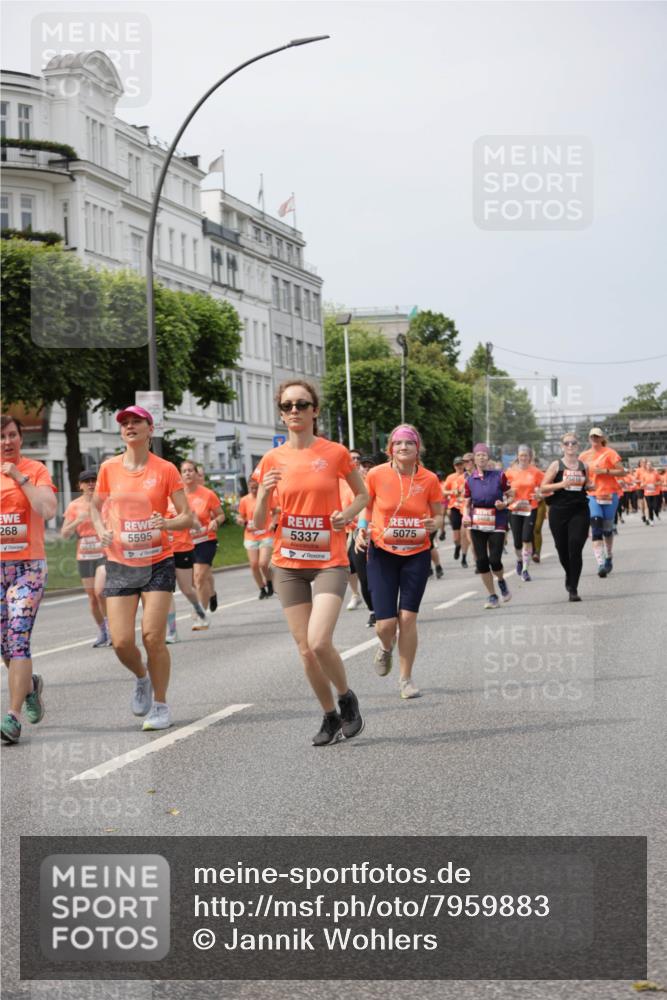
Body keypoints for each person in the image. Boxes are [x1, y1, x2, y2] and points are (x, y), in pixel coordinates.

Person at [253, 379, 368, 746]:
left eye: (302, 405)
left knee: (319, 642)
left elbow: (363, 494)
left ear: (315, 411)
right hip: (288, 563)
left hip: (328, 560)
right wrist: (265, 493)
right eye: (287, 406)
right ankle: (329, 716)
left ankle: (347, 698)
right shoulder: (272, 459)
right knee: (303, 649)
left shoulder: (334, 453)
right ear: (281, 414)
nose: (294, 412)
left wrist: (345, 514)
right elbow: (258, 522)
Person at [91, 406, 193, 731]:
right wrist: (101, 529)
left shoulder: (166, 470)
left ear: (150, 429)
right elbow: (94, 507)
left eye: (137, 422)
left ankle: (161, 705)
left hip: (157, 560)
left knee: (152, 636)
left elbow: (187, 516)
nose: (130, 426)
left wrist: (167, 522)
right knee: (120, 641)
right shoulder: (109, 469)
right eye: (125, 423)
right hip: (121, 562)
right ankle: (141, 677)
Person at [356, 424, 443, 698]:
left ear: (418, 449)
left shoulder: (429, 479)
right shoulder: (376, 474)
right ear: (390, 449)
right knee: (385, 624)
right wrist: (361, 529)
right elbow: (366, 506)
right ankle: (385, 647)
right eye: (398, 443)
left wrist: (434, 523)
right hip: (382, 552)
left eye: (409, 443)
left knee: (407, 618)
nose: (403, 447)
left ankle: (406, 680)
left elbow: (439, 515)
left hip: (416, 552)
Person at [1, 415, 57, 744]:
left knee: (19, 637)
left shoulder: (34, 471)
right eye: (1, 437)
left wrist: (20, 478)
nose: (6, 442)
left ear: (21, 438)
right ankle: (31, 685)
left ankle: (12, 717)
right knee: (4, 645)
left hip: (28, 568)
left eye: (11, 435)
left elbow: (48, 509)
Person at [539, 433, 591, 601]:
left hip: (579, 510)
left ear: (577, 446)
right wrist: (562, 484)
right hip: (559, 511)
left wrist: (591, 485)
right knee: (562, 550)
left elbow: (586, 484)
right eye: (566, 443)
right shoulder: (556, 465)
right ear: (562, 446)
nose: (570, 445)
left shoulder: (584, 465)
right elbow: (543, 488)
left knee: (575, 547)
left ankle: (573, 588)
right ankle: (570, 574)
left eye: (573, 443)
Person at [61, 469, 110, 647]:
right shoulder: (74, 506)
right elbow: (64, 534)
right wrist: (78, 520)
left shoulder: (105, 502)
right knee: (92, 597)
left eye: (93, 480)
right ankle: (103, 631)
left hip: (104, 553)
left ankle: (111, 629)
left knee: (100, 591)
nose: (90, 484)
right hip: (84, 555)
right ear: (79, 486)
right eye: (86, 481)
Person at [462, 443, 513, 609]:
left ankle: (501, 580)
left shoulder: (499, 476)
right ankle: (492, 595)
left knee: (495, 560)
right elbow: (467, 501)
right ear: (474, 459)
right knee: (482, 562)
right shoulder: (470, 480)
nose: (481, 457)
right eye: (478, 455)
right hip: (477, 523)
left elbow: (511, 495)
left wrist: (504, 504)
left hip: (497, 520)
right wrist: (465, 514)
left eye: (484, 455)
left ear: (488, 458)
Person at [578, 427, 624, 577]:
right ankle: (601, 564)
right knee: (596, 526)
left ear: (601, 438)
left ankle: (609, 556)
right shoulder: (584, 456)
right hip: (592, 495)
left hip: (610, 494)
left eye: (597, 436)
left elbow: (622, 471)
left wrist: (605, 471)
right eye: (592, 436)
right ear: (589, 438)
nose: (594, 439)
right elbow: (579, 474)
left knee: (607, 529)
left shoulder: (610, 453)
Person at [180, 460, 225, 614]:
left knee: (199, 577)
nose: (187, 473)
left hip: (205, 540)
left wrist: (215, 521)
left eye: (190, 470)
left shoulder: (207, 494)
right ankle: (211, 594)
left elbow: (221, 515)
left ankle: (202, 615)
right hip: (185, 543)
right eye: (184, 471)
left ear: (196, 473)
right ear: (180, 475)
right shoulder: (176, 495)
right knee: (195, 581)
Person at [164, 494, 209, 642]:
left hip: (182, 548)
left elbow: (195, 522)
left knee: (187, 589)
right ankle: (172, 631)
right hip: (163, 550)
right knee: (167, 591)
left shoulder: (182, 501)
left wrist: (194, 525)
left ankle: (199, 609)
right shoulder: (155, 499)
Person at [505, 445, 544, 582]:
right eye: (521, 455)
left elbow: (544, 487)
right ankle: (519, 560)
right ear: (517, 457)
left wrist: (540, 494)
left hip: (530, 508)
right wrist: (508, 493)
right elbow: (503, 489)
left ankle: (525, 570)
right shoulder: (510, 472)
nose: (523, 458)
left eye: (526, 455)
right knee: (517, 542)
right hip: (514, 509)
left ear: (530, 457)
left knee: (527, 538)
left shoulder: (536, 472)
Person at [236, 478, 276, 599]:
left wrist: (273, 522)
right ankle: (261, 588)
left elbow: (275, 512)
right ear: (248, 487)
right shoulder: (244, 500)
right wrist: (240, 520)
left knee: (263, 563)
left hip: (266, 534)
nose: (254, 490)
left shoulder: (266, 497)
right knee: (254, 564)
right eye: (251, 488)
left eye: (256, 488)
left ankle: (269, 581)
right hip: (251, 536)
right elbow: (240, 515)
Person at [342, 450, 364, 609]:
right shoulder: (340, 480)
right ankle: (356, 594)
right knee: (349, 565)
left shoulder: (367, 477)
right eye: (352, 458)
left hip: (367, 528)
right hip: (346, 529)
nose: (355, 460)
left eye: (357, 458)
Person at [442, 457, 467, 562]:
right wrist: (452, 492)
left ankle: (464, 556)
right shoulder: (450, 477)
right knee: (456, 538)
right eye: (457, 465)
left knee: (464, 533)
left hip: (466, 508)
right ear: (454, 466)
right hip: (454, 508)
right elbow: (444, 491)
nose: (459, 466)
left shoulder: (468, 476)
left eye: (461, 464)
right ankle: (457, 547)